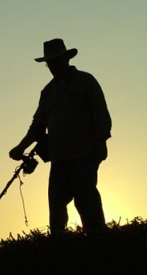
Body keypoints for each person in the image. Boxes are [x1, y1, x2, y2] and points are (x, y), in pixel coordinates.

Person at [9, 38, 112, 237]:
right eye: (50, 62)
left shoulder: (86, 81)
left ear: (66, 58)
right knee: (56, 204)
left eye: (57, 60)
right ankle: (58, 244)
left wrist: (102, 142)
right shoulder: (47, 92)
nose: (53, 65)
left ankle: (99, 241)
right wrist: (20, 147)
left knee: (86, 200)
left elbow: (101, 113)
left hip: (85, 153)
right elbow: (38, 125)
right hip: (59, 157)